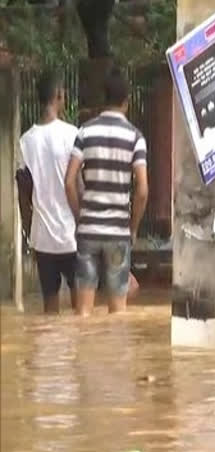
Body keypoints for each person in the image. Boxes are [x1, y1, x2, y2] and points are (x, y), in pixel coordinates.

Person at [64, 68, 149, 316]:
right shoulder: (135, 137)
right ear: (127, 100)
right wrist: (132, 228)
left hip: (88, 231)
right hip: (117, 233)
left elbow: (69, 181)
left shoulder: (85, 132)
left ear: (104, 98)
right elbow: (142, 190)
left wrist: (80, 217)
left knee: (83, 314)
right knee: (118, 315)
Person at [18, 70, 80, 314]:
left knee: (49, 312)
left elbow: (24, 195)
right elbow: (79, 185)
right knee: (81, 314)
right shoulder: (72, 134)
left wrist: (29, 233)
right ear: (59, 95)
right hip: (71, 236)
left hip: (42, 239)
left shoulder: (25, 141)